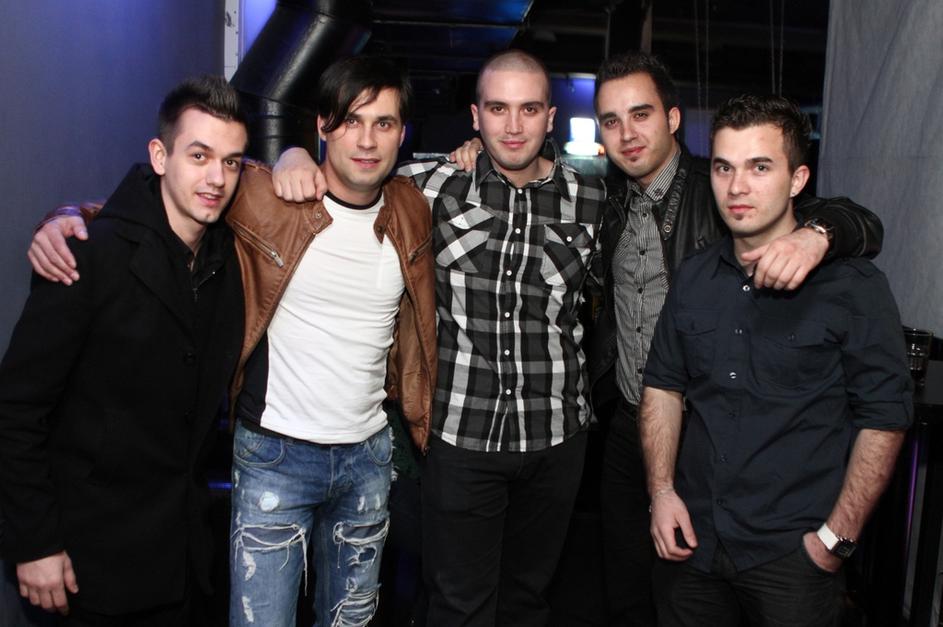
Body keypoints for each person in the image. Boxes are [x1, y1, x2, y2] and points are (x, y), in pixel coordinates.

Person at [443, 50, 885, 626]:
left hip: (705, 432)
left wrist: (819, 234)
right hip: (630, 425)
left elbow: (857, 221)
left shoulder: (721, 188)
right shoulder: (603, 201)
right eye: (610, 120)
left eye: (641, 114)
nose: (627, 134)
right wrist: (478, 149)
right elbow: (530, 171)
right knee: (629, 592)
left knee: (697, 591)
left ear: (673, 118)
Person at [26, 56, 437, 627]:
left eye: (384, 123)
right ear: (322, 125)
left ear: (402, 133)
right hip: (274, 457)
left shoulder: (414, 208)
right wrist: (68, 217)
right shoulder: (264, 197)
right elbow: (163, 202)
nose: (366, 140)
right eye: (350, 120)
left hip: (368, 457)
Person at [273, 49, 607, 626]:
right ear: (475, 116)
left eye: (529, 109)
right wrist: (294, 152)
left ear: (551, 118)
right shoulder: (426, 187)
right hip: (460, 435)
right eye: (497, 109)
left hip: (557, 437)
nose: (513, 125)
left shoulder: (593, 199)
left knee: (528, 602)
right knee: (456, 605)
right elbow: (348, 175)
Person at [640, 93, 911, 626]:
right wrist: (661, 492)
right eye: (724, 167)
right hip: (693, 542)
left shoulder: (852, 286)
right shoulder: (694, 275)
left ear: (797, 179)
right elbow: (663, 385)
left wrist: (835, 540)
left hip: (792, 556)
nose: (737, 187)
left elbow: (885, 418)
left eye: (759, 167)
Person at [0, 75, 248, 625]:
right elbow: (15, 408)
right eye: (199, 155)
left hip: (183, 565)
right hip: (87, 566)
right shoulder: (89, 255)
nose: (216, 178)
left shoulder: (228, 261)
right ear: (160, 156)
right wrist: (33, 542)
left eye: (231, 162)